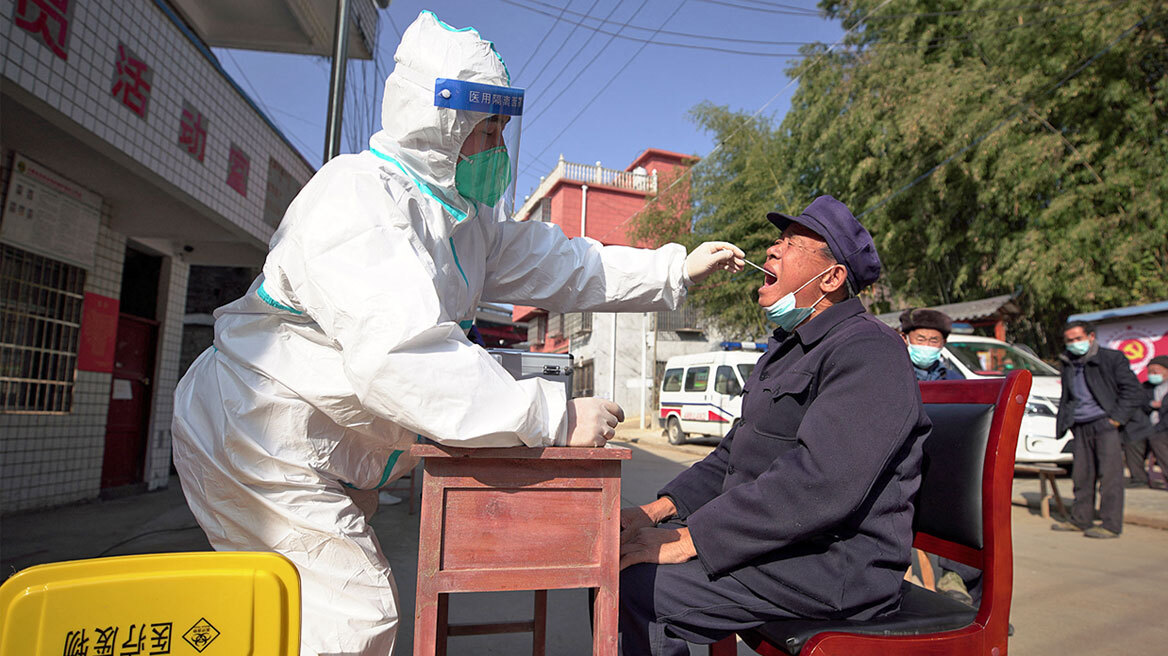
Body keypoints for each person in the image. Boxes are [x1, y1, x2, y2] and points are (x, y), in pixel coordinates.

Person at [170, 11, 743, 656]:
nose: (496, 147)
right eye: (485, 129)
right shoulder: (360, 199)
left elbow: (569, 264)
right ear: (441, 123)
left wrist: (673, 267)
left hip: (315, 445)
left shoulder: (465, 220)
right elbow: (403, 355)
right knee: (349, 617)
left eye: (502, 130)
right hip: (257, 433)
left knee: (300, 619)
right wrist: (553, 415)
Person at [618, 196, 931, 656]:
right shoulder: (787, 349)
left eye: (790, 243)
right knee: (615, 558)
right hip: (784, 543)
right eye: (776, 240)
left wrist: (695, 540)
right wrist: (657, 510)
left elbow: (820, 484)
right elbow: (731, 456)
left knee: (637, 585)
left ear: (831, 277)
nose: (771, 250)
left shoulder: (869, 351)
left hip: (833, 564)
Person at [1051, 320, 1146, 538]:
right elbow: (1069, 396)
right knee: (1082, 476)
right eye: (1069, 340)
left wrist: (1116, 419)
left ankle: (1110, 524)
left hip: (1105, 424)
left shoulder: (1111, 359)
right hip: (1080, 424)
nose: (1074, 344)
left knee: (1110, 477)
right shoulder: (1068, 362)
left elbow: (1133, 391)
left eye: (1078, 339)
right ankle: (1080, 519)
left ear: (1091, 337)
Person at [1126, 355, 1168, 489]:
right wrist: (1150, 404)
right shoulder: (1145, 387)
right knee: (1132, 440)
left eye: (1156, 371)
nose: (1153, 374)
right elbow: (1138, 402)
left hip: (1163, 428)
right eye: (1150, 372)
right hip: (1147, 426)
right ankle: (1139, 478)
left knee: (1158, 440)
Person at [899, 307, 965, 381]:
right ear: (904, 339)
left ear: (943, 342)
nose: (926, 345)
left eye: (934, 341)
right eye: (920, 340)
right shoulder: (894, 376)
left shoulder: (954, 380)